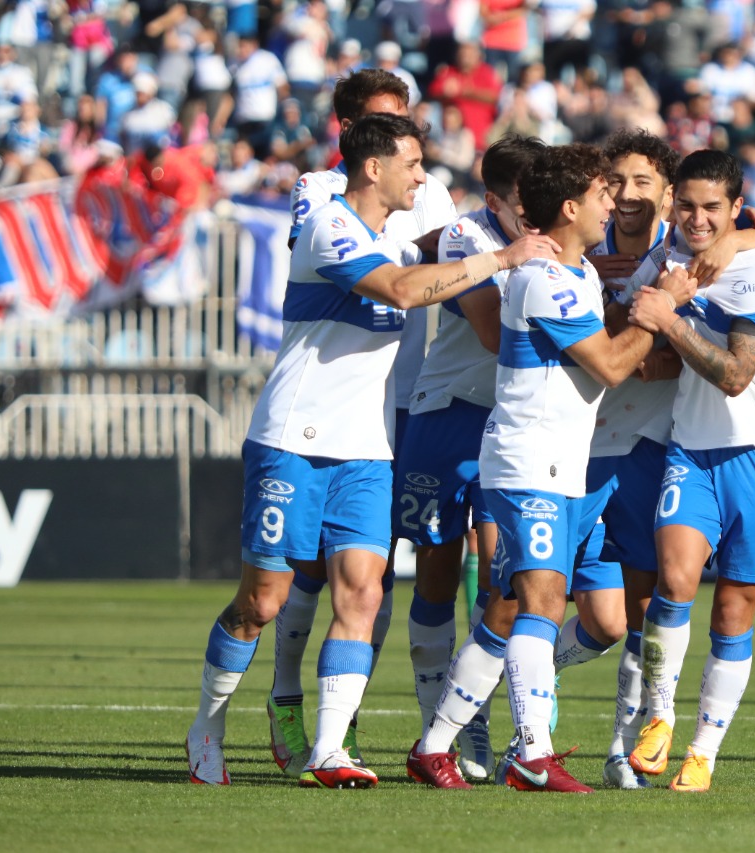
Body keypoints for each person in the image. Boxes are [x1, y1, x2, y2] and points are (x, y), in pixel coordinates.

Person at [184, 112, 559, 787]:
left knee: (361, 593)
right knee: (261, 600)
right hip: (294, 438)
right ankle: (207, 725)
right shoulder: (329, 224)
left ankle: (330, 751)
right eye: (414, 163)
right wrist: (500, 257)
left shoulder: (396, 237)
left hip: (367, 449)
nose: (423, 175)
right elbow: (401, 289)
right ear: (373, 167)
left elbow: (438, 248)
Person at [477, 143, 696, 793]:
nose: (617, 200)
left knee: (599, 617)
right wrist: (659, 315)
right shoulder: (545, 274)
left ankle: (518, 716)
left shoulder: (579, 273)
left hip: (577, 458)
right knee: (532, 603)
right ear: (573, 206)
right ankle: (527, 748)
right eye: (607, 190)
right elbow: (607, 361)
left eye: (634, 185)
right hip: (533, 459)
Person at [587, 129, 755, 789]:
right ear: (674, 205)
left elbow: (735, 374)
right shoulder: (669, 259)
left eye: (714, 208)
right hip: (691, 450)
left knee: (733, 607)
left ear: (737, 207)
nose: (699, 219)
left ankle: (704, 751)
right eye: (688, 207)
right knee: (673, 584)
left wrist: (672, 318)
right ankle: (658, 718)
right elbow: (631, 330)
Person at [269, 68, 459, 778]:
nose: (405, 135)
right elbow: (401, 280)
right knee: (309, 572)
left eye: (406, 118)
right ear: (352, 136)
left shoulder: (428, 188)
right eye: (385, 120)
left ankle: (348, 728)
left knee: (379, 574)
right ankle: (287, 691)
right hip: (338, 405)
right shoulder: (319, 192)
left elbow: (460, 250)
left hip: (413, 399)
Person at [395, 134, 547, 785]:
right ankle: (441, 725)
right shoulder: (465, 237)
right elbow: (492, 334)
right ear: (494, 201)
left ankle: (464, 723)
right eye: (524, 205)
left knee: (502, 584)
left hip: (508, 426)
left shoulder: (551, 237)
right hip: (447, 414)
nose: (538, 217)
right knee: (434, 577)